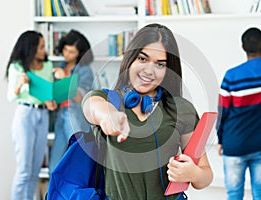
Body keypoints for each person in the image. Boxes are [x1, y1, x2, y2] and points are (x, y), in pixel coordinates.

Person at [82, 23, 213, 200]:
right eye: (142, 59)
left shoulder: (181, 110)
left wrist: (193, 173)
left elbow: (205, 176)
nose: (149, 71)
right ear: (130, 59)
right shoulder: (108, 100)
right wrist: (108, 115)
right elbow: (91, 106)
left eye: (160, 64)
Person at [216, 1, 261, 200]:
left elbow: (222, 112)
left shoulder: (231, 76)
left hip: (234, 144)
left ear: (243, 47)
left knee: (234, 195)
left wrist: (221, 140)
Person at [6, 30, 58, 200]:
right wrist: (19, 84)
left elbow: (48, 93)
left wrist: (52, 102)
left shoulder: (48, 66)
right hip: (25, 115)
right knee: (24, 170)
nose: (45, 50)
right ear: (31, 48)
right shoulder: (18, 67)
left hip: (43, 115)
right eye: (42, 46)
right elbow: (11, 96)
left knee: (35, 170)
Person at [49, 29, 95, 173]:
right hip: (60, 115)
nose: (66, 54)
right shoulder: (61, 66)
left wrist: (64, 78)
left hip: (74, 116)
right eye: (65, 50)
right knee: (54, 164)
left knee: (77, 157)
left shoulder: (84, 70)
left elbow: (81, 96)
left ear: (80, 54)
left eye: (72, 52)